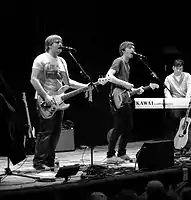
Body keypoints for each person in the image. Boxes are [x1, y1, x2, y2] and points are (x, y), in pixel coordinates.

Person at [30, 34, 92, 170]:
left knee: (56, 132)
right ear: (49, 45)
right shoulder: (41, 59)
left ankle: (49, 161)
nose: (60, 44)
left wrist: (84, 86)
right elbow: (33, 79)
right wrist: (45, 95)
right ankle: (39, 162)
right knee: (46, 131)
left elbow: (67, 83)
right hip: (44, 100)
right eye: (57, 42)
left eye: (61, 42)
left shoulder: (62, 61)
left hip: (59, 100)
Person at [105, 41, 144, 164]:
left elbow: (125, 85)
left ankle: (121, 153)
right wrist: (126, 84)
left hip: (124, 96)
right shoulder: (119, 61)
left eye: (134, 47)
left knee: (128, 127)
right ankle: (110, 155)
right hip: (117, 96)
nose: (133, 49)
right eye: (130, 47)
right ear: (123, 50)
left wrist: (135, 90)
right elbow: (109, 76)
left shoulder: (128, 65)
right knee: (118, 126)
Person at [164, 59, 191, 143]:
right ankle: (176, 140)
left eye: (181, 68)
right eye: (177, 68)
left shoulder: (187, 76)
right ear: (173, 68)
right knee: (175, 119)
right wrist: (171, 102)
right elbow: (167, 92)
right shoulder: (168, 78)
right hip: (175, 102)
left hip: (186, 101)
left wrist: (186, 100)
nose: (179, 70)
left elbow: (190, 88)